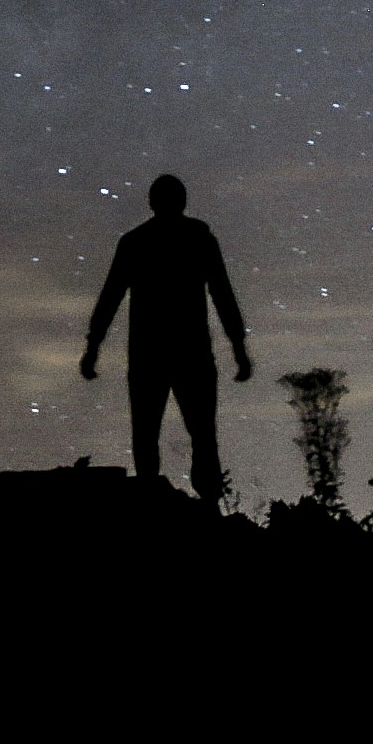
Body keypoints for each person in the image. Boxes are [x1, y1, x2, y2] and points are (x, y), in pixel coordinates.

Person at [80, 174, 251, 502]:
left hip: (151, 355)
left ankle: (155, 501)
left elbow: (110, 297)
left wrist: (93, 347)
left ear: (152, 202)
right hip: (189, 354)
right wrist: (238, 348)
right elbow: (222, 295)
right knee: (200, 435)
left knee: (149, 435)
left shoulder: (136, 242)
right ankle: (206, 503)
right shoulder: (196, 238)